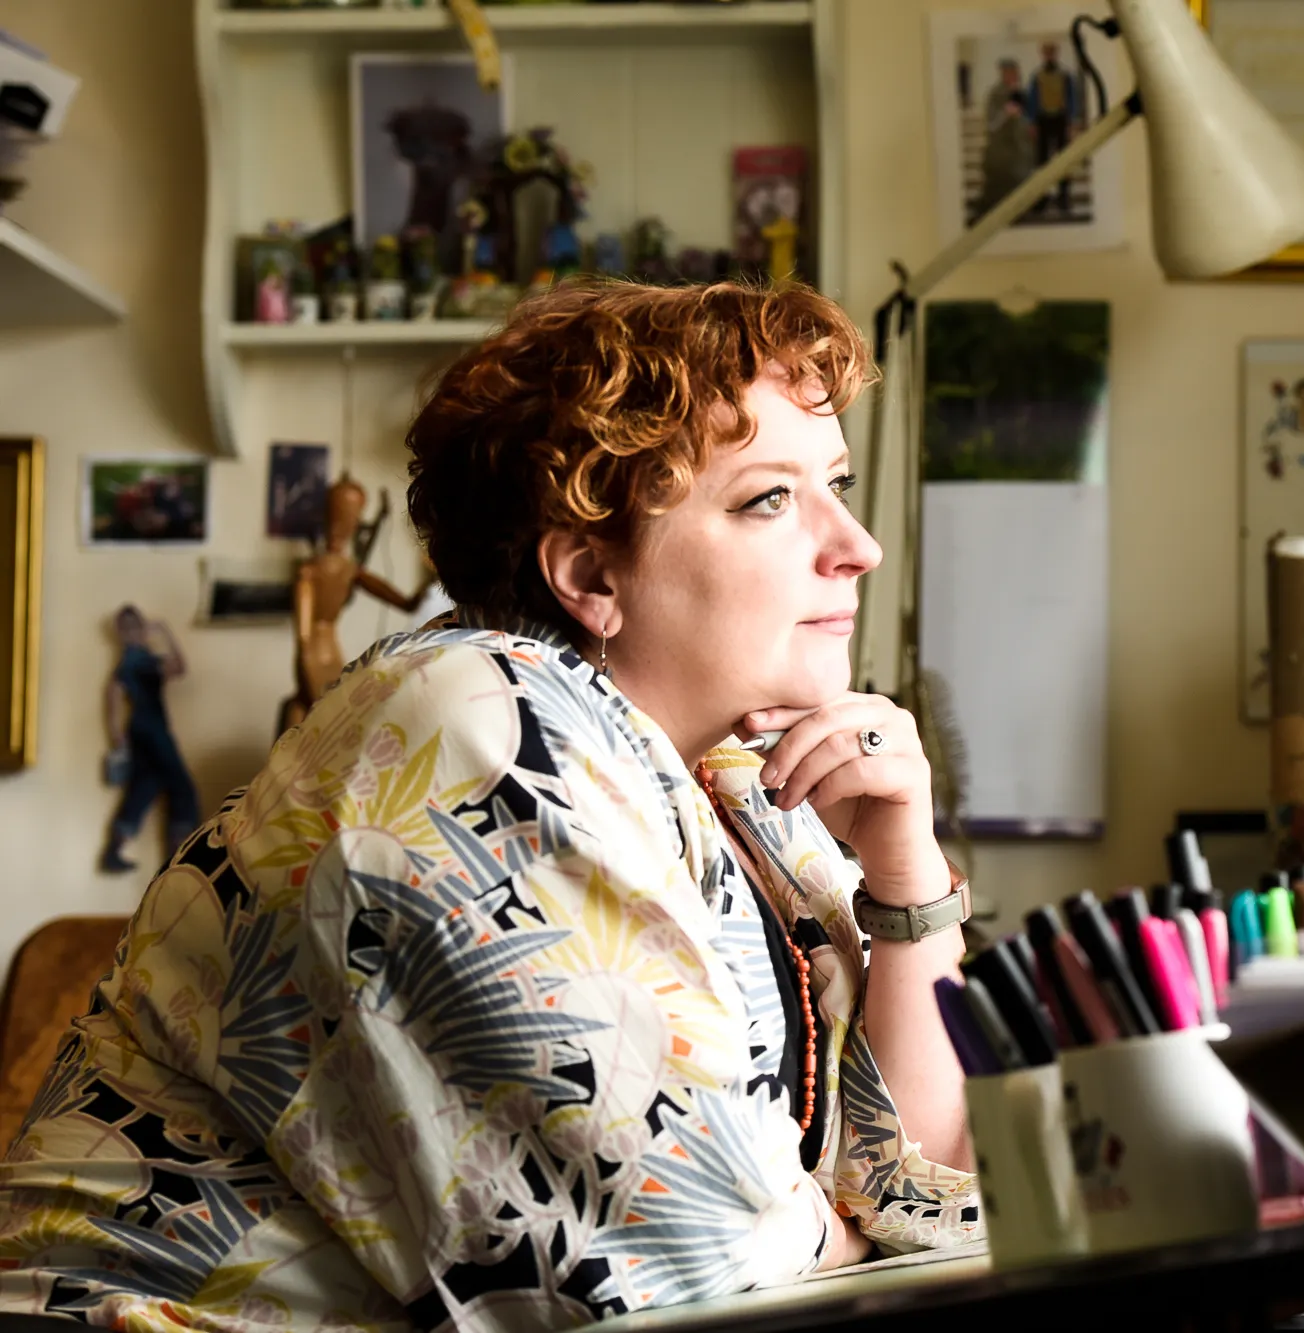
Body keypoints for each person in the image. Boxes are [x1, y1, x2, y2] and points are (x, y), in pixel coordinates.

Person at [0, 281, 981, 1331]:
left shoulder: (742, 783)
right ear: (589, 572)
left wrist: (903, 870)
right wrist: (816, 1221)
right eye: (767, 499)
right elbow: (686, 1266)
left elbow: (924, 1192)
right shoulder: (468, 721)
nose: (856, 545)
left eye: (833, 481)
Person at [280, 473, 430, 732]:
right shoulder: (310, 572)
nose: (345, 522)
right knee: (316, 724)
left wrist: (431, 576)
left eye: (351, 516)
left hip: (332, 654)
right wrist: (306, 672)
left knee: (334, 725)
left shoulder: (351, 571)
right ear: (328, 515)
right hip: (312, 655)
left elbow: (408, 604)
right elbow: (303, 640)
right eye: (340, 513)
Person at [98, 606, 199, 873]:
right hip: (152, 730)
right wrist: (165, 632)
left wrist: (120, 740)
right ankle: (177, 863)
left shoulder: (131, 663)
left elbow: (114, 700)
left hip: (140, 732)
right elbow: (179, 667)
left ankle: (114, 850)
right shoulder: (140, 662)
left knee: (144, 788)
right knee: (182, 790)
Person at [1031, 41, 1078, 212]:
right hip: (1043, 120)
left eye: (1052, 52)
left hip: (1060, 119)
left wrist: (1071, 121)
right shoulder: (1037, 76)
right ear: (1043, 55)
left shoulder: (1065, 75)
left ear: (1056, 54)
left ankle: (1063, 197)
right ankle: (1042, 197)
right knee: (1042, 161)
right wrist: (1033, 122)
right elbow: (1033, 100)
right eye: (1046, 53)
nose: (1049, 56)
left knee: (1063, 161)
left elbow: (1071, 99)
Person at [978, 91, 1038, 221]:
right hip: (1002, 168)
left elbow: (1025, 149)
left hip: (1013, 169)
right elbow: (993, 133)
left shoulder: (1023, 123)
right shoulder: (1003, 120)